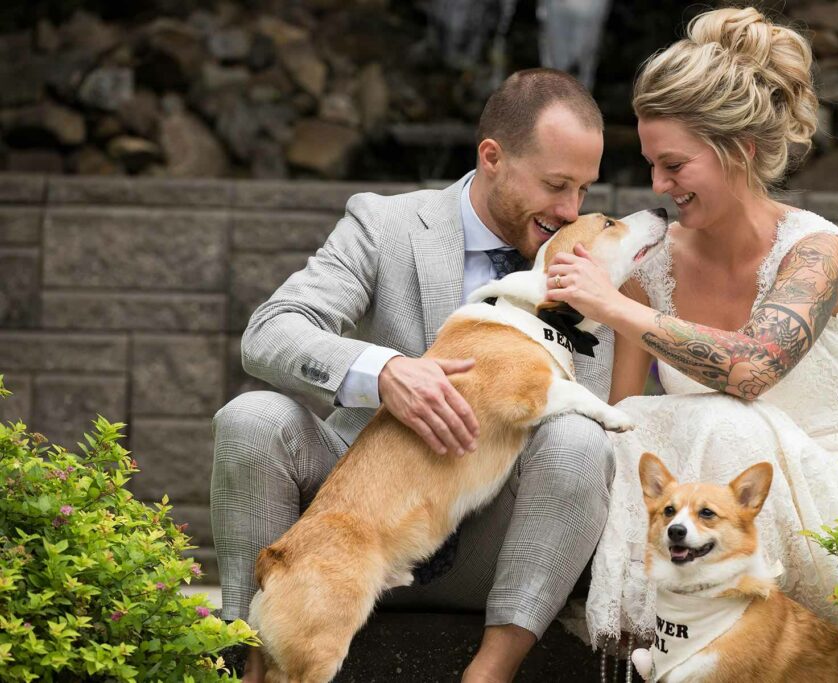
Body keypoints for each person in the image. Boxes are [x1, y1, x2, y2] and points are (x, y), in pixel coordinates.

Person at [211, 68, 615, 682]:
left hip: (495, 545)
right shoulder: (387, 225)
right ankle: (246, 662)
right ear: (493, 158)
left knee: (581, 438)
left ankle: (492, 671)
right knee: (252, 418)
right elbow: (271, 329)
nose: (569, 211)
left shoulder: (589, 260)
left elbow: (598, 409)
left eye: (584, 190)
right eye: (556, 185)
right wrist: (386, 371)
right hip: (357, 534)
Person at [541, 7, 838, 647]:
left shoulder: (817, 251)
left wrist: (615, 305)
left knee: (726, 416)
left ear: (741, 150)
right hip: (702, 529)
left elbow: (754, 368)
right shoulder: (653, 264)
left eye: (674, 165)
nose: (658, 184)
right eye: (650, 165)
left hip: (835, 513)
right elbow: (627, 418)